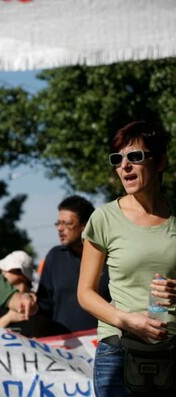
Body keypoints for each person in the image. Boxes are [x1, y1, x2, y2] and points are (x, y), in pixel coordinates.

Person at [77, 121, 176, 396]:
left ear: (160, 162)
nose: (124, 166)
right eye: (117, 159)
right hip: (119, 349)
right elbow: (85, 294)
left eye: (135, 156)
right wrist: (126, 320)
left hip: (171, 349)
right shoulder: (104, 218)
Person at [35, 195, 111, 336]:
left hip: (103, 346)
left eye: (67, 223)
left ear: (85, 226)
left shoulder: (111, 259)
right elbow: (43, 307)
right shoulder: (54, 257)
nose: (60, 228)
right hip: (63, 349)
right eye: (58, 223)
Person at [0, 250, 37, 336]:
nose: (3, 272)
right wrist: (9, 318)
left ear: (22, 274)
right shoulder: (0, 300)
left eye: (8, 269)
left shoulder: (38, 302)